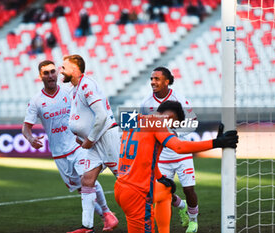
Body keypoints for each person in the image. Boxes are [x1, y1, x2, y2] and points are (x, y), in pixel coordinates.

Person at [22, 60, 118, 233]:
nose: (51, 75)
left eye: (53, 71)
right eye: (46, 73)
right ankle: (105, 219)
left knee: (88, 180)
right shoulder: (36, 101)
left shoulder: (70, 90)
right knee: (81, 188)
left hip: (78, 146)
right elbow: (26, 127)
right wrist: (30, 139)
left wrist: (91, 135)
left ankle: (106, 215)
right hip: (59, 153)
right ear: (40, 76)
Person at [115, 100, 238, 233]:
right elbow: (179, 146)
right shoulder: (158, 124)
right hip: (137, 194)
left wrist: (160, 177)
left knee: (166, 192)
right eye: (174, 125)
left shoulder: (133, 118)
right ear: (170, 117)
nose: (171, 130)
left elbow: (145, 155)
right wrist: (216, 143)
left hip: (122, 187)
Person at [61, 54, 120, 233]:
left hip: (106, 139)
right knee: (86, 181)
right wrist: (83, 136)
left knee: (125, 181)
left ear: (74, 69)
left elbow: (101, 115)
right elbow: (84, 118)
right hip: (93, 143)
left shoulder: (87, 84)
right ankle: (87, 227)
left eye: (63, 68)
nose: (60, 71)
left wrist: (90, 138)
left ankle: (147, 215)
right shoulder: (74, 90)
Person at [140, 66, 200, 232]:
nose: (153, 82)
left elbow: (193, 122)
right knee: (162, 193)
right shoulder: (146, 103)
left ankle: (193, 220)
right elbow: (143, 126)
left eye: (157, 79)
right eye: (151, 79)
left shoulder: (179, 99)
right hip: (161, 156)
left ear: (167, 81)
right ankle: (181, 206)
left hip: (181, 152)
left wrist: (172, 133)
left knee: (189, 189)